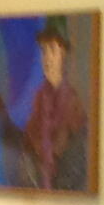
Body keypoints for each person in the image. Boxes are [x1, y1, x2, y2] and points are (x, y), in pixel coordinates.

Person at [20, 18, 90, 192]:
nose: (47, 58)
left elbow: (78, 161)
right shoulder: (38, 99)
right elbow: (27, 151)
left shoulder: (74, 104)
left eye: (53, 50)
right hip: (37, 192)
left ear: (64, 54)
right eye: (44, 51)